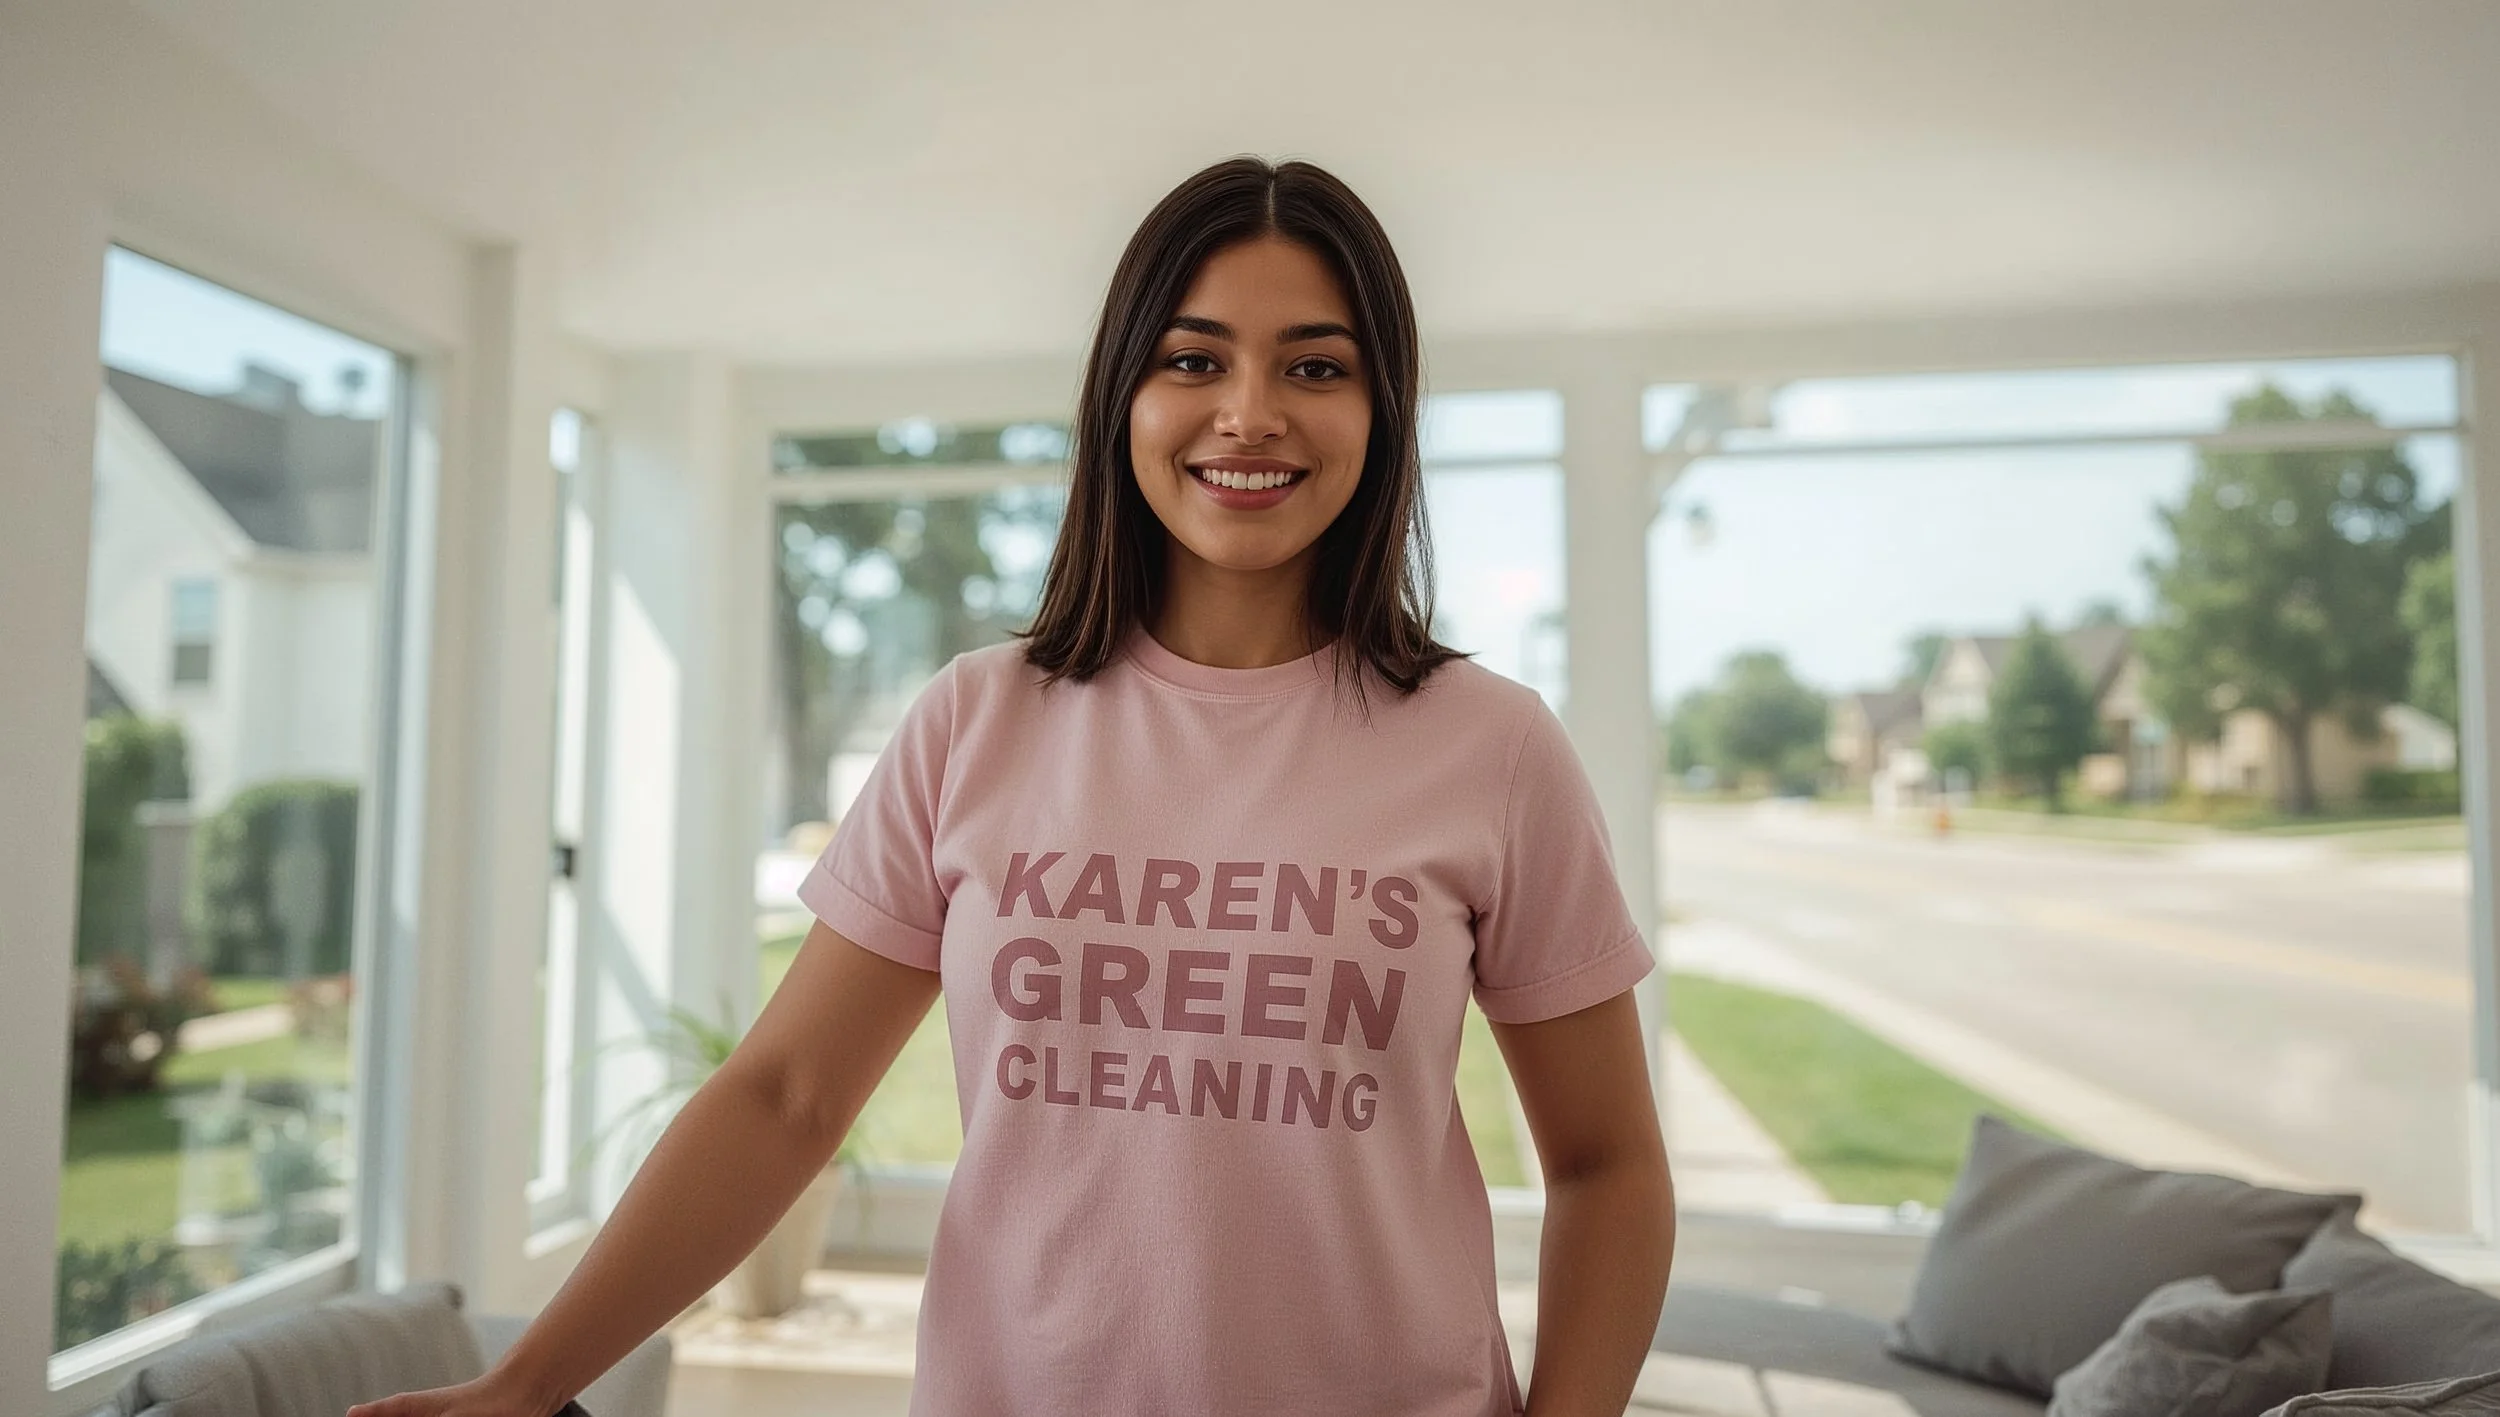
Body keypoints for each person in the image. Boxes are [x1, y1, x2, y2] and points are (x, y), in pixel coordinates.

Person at [353, 155, 1675, 1417]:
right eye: (1194, 359)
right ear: (1122, 396)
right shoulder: (977, 719)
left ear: (1383, 409)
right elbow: (785, 1097)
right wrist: (527, 1386)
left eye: (1315, 366)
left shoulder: (1490, 746)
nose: (1251, 412)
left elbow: (1607, 1165)